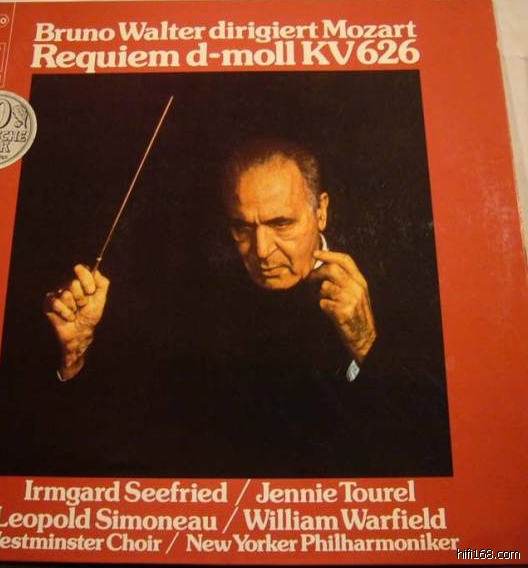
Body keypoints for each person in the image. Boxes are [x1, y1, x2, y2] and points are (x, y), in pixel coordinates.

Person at [43, 138, 450, 477]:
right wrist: (76, 352)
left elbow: (431, 448)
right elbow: (120, 443)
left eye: (281, 224)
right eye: (242, 227)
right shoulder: (194, 307)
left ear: (321, 211)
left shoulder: (406, 291)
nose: (262, 251)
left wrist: (367, 346)